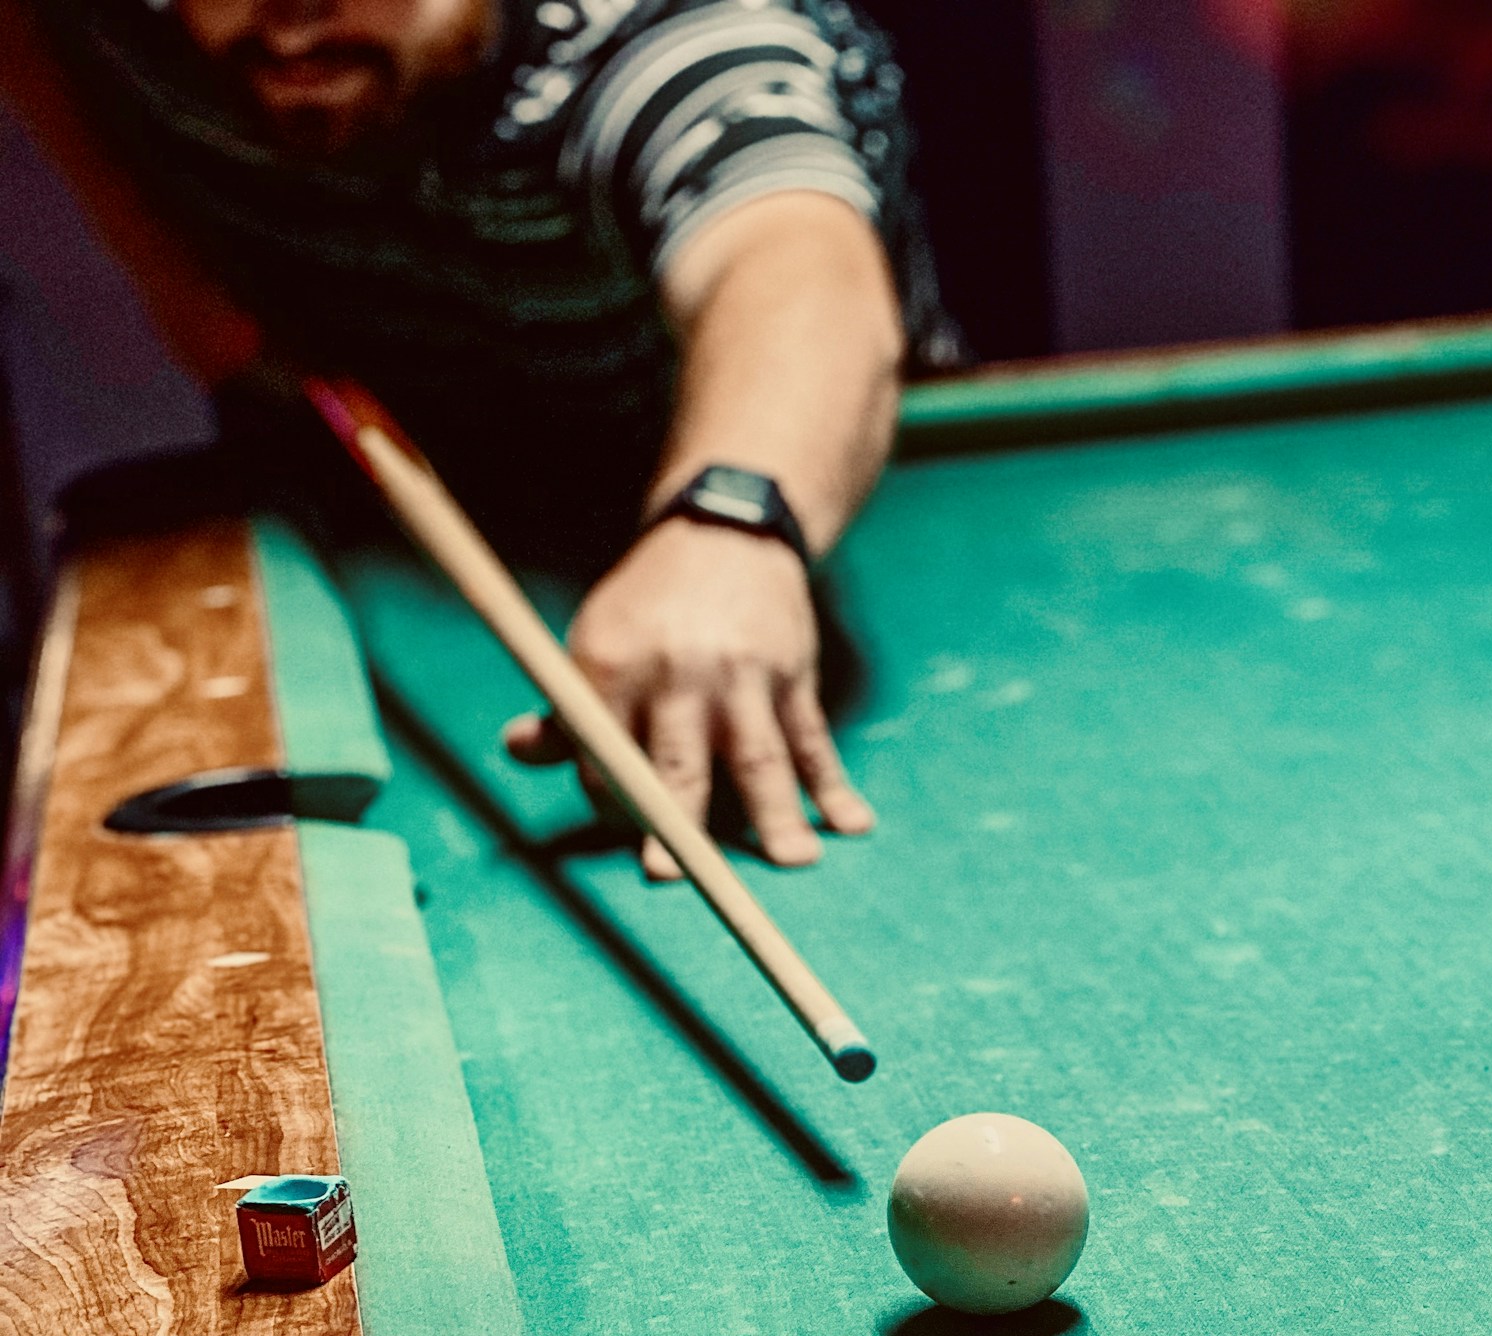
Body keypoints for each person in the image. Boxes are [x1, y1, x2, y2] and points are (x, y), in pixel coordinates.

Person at [0, 0, 947, 874]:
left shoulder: (653, 37)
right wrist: (157, 253)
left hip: (691, 440)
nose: (284, 15)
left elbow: (790, 258)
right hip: (374, 458)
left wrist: (730, 525)